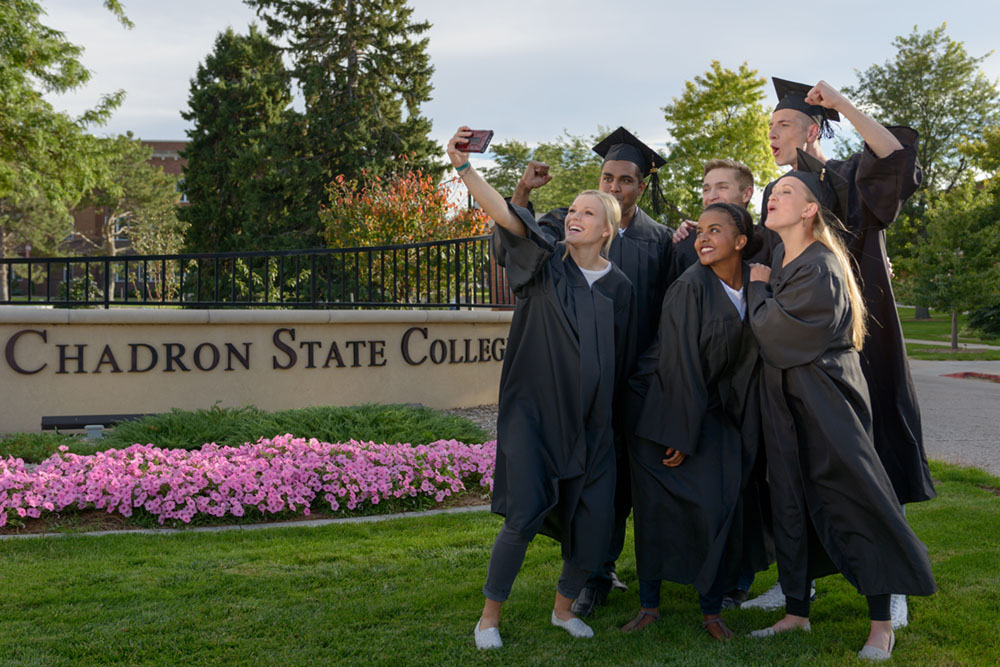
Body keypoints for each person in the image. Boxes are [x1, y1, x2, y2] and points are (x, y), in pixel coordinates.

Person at [742, 79, 935, 627]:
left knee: (872, 456)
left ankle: (890, 585)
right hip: (800, 338)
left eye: (782, 124)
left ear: (811, 127)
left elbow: (895, 157)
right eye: (771, 125)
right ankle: (794, 585)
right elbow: (759, 250)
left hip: (859, 334)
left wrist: (843, 105)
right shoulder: (784, 189)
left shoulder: (849, 176)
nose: (772, 133)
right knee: (796, 461)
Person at [448, 127, 636, 650]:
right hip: (536, 417)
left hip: (594, 424)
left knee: (594, 521)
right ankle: (489, 618)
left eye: (587, 213)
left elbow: (619, 357)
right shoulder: (544, 266)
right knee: (525, 515)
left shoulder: (621, 287)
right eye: (572, 210)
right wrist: (463, 167)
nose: (574, 217)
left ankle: (563, 609)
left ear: (607, 231)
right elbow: (507, 216)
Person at [505, 127, 675, 617]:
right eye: (607, 177)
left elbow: (667, 314)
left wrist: (646, 375)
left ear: (642, 186)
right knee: (575, 479)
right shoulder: (568, 224)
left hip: (632, 383)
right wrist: (521, 192)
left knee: (617, 485)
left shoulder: (660, 241)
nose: (615, 187)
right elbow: (520, 237)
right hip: (576, 385)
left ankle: (607, 569)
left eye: (625, 180)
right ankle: (589, 575)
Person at [622, 203, 769, 640]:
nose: (702, 239)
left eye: (716, 231)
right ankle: (649, 605)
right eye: (700, 230)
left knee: (718, 506)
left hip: (710, 409)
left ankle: (711, 607)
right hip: (660, 408)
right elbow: (679, 362)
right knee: (656, 511)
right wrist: (680, 435)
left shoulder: (753, 285)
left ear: (740, 242)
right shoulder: (690, 287)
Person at [671, 158, 755, 274]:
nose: (711, 196)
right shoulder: (685, 245)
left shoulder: (768, 244)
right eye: (706, 189)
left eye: (722, 187)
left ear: (746, 194)